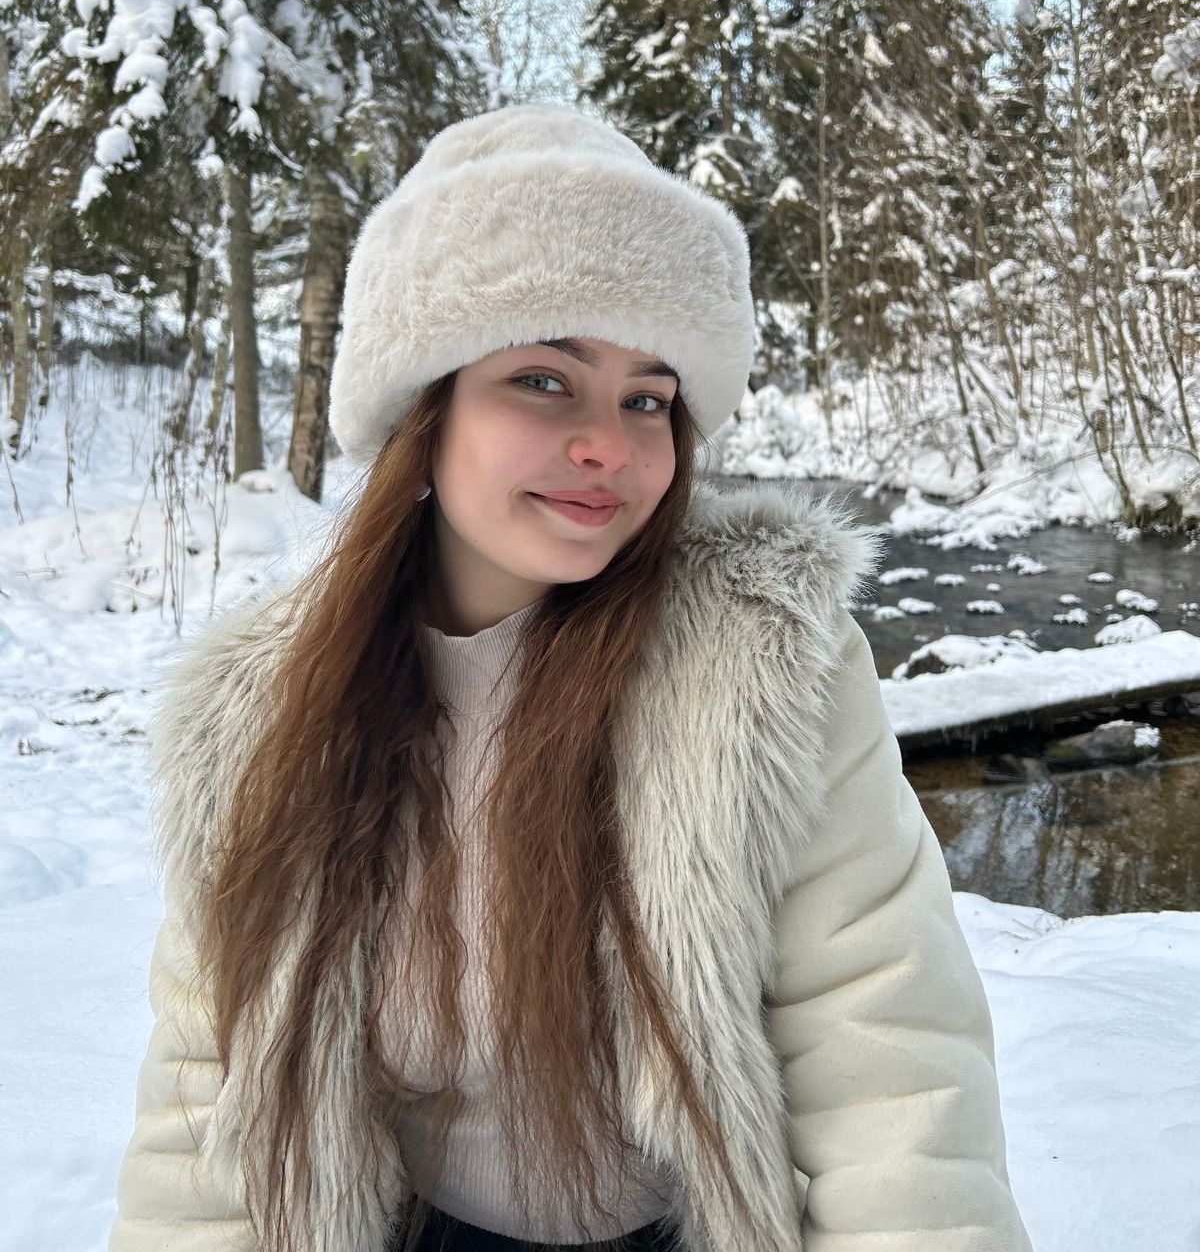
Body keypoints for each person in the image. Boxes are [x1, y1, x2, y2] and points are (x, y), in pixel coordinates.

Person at [106, 103, 1035, 1252]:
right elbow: (209, 1110)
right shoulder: (264, 711)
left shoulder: (760, 660)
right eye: (546, 379)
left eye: (647, 397)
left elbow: (889, 1060)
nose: (611, 444)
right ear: (422, 413)